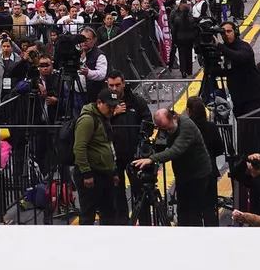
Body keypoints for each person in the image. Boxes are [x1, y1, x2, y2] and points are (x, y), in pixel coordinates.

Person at [132, 100, 217, 227]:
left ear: (174, 117)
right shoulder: (167, 125)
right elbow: (161, 144)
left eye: (168, 128)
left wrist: (152, 158)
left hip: (198, 174)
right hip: (183, 174)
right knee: (182, 211)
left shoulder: (187, 126)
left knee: (193, 212)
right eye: (163, 129)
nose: (167, 131)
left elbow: (176, 150)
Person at [72, 90, 126, 226]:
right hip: (92, 174)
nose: (112, 110)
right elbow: (79, 148)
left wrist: (113, 171)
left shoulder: (103, 118)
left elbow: (108, 145)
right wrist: (86, 173)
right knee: (88, 214)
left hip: (104, 173)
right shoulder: (87, 120)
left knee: (109, 212)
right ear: (99, 103)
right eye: (109, 106)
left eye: (114, 106)